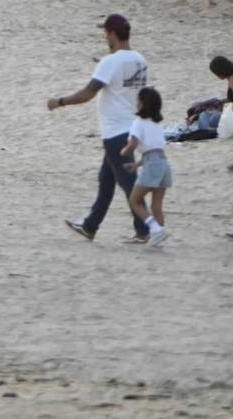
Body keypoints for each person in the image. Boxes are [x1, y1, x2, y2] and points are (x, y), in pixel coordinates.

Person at [48, 13, 152, 243]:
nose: (105, 36)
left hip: (115, 131)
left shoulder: (110, 62)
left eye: (105, 32)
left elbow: (87, 93)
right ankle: (90, 226)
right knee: (106, 179)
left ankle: (146, 230)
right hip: (131, 127)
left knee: (128, 183)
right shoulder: (139, 59)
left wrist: (60, 101)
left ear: (112, 34)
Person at [123, 89, 171, 248]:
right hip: (164, 164)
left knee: (135, 200)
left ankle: (155, 229)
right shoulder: (157, 123)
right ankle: (159, 237)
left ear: (142, 104)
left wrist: (124, 151)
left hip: (152, 164)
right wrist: (136, 165)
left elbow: (134, 144)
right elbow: (154, 150)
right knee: (157, 204)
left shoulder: (138, 122)